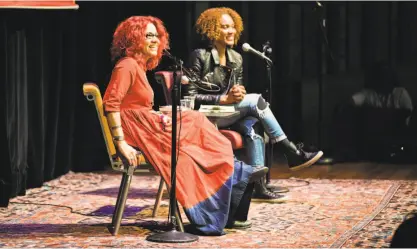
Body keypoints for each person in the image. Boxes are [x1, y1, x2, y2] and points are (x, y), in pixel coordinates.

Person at [102, 16, 268, 235]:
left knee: (192, 127)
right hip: (136, 132)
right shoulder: (126, 65)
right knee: (194, 126)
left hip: (146, 125)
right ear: (133, 38)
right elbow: (111, 104)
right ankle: (235, 172)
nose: (155, 41)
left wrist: (158, 115)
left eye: (156, 36)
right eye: (148, 35)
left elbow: (135, 104)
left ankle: (237, 173)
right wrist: (121, 143)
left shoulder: (138, 67)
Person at [182, 7, 324, 200]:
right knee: (256, 100)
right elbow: (189, 97)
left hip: (228, 113)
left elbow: (238, 92)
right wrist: (222, 99)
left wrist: (238, 93)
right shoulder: (199, 56)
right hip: (206, 116)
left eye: (233, 27)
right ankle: (290, 150)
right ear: (212, 30)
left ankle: (259, 185)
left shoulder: (236, 58)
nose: (231, 31)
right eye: (225, 27)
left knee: (252, 123)